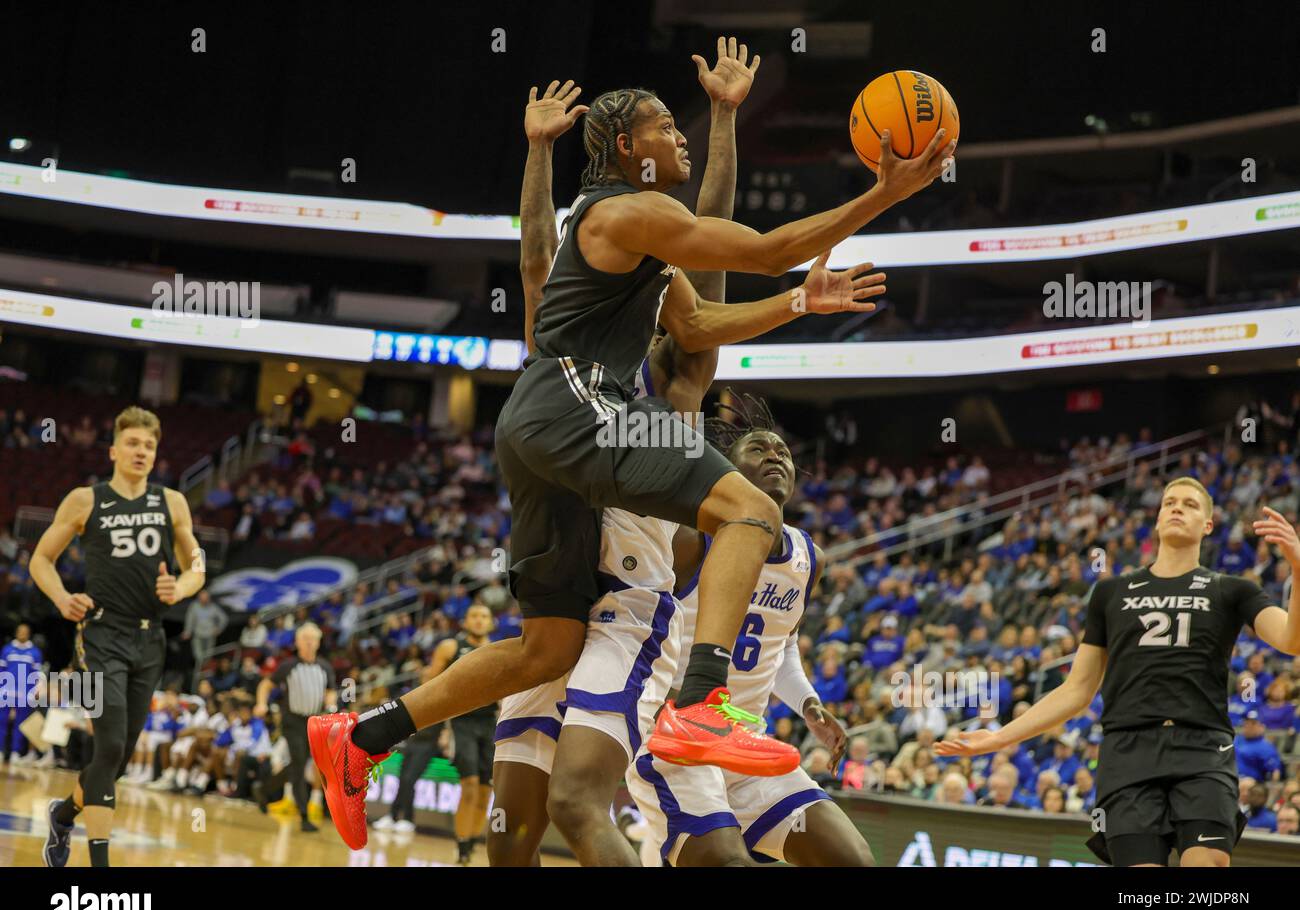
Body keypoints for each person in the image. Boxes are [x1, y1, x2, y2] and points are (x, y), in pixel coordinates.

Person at [307, 44, 954, 851]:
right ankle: (702, 700)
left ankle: (361, 735)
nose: (677, 139)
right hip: (575, 413)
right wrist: (882, 194)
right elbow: (746, 248)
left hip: (550, 437)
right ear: (624, 150)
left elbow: (701, 312)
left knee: (546, 645)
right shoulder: (624, 217)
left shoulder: (646, 263)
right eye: (662, 126)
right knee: (750, 511)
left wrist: (796, 301)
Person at [490, 38, 768, 867]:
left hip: (627, 618)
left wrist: (721, 119)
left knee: (583, 801)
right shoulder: (575, 369)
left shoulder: (680, 384)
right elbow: (539, 266)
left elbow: (703, 231)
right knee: (512, 824)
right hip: (568, 585)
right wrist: (538, 155)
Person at [939, 478, 1300, 867]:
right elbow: (1076, 690)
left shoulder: (1233, 589)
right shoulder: (1112, 592)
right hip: (1127, 753)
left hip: (1203, 749)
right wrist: (999, 739)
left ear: (1208, 525)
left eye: (1191, 505)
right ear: (1158, 519)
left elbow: (1290, 640)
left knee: (1206, 864)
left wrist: (1298, 566)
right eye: (1169, 503)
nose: (1177, 509)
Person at [625, 394, 874, 866]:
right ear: (728, 473)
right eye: (758, 450)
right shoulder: (692, 538)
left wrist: (808, 704)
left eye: (782, 451)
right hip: (677, 738)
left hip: (747, 747)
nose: (775, 456)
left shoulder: (807, 556)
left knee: (850, 858)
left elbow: (778, 646)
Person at [33, 406, 204, 867]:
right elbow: (40, 560)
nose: (141, 451)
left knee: (118, 761)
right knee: (107, 746)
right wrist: (61, 598)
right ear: (113, 449)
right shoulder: (85, 500)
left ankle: (65, 813)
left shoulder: (172, 502)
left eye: (149, 445)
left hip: (150, 642)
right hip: (99, 635)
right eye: (133, 443)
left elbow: (198, 565)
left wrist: (181, 587)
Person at [423, 604, 497, 865]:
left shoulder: (499, 650)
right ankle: (462, 845)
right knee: (469, 786)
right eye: (474, 616)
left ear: (491, 623)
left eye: (484, 616)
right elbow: (431, 685)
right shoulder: (450, 648)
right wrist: (441, 725)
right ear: (465, 621)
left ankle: (472, 840)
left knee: (486, 790)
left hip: (490, 723)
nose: (479, 621)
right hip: (461, 722)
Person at [254, 623, 336, 832]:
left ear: (318, 643)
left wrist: (332, 706)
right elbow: (265, 685)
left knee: (298, 766)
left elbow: (331, 691)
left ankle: (263, 790)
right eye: (305, 639)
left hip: (315, 723)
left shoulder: (325, 667)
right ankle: (304, 816)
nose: (309, 643)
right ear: (298, 642)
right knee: (299, 764)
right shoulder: (288, 665)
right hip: (292, 721)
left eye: (313, 639)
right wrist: (262, 703)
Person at [1, 623, 43, 764]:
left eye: (25, 632)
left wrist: (34, 692)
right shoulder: (7, 649)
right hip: (6, 692)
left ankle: (15, 753)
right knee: (2, 722)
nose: (22, 634)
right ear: (16, 632)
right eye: (20, 631)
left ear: (29, 634)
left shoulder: (35, 652)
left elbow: (37, 675)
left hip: (24, 694)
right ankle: (0, 752)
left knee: (20, 724)